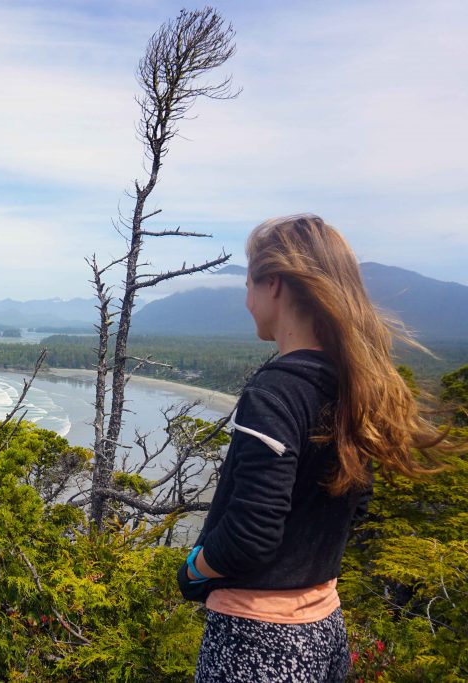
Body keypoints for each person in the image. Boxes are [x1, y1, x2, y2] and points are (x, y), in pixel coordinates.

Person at [177, 214, 449, 682]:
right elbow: (356, 503)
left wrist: (193, 569)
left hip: (255, 639)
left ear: (274, 285)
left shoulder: (275, 392)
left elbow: (251, 533)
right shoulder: (354, 386)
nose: (246, 301)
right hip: (324, 627)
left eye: (248, 284)